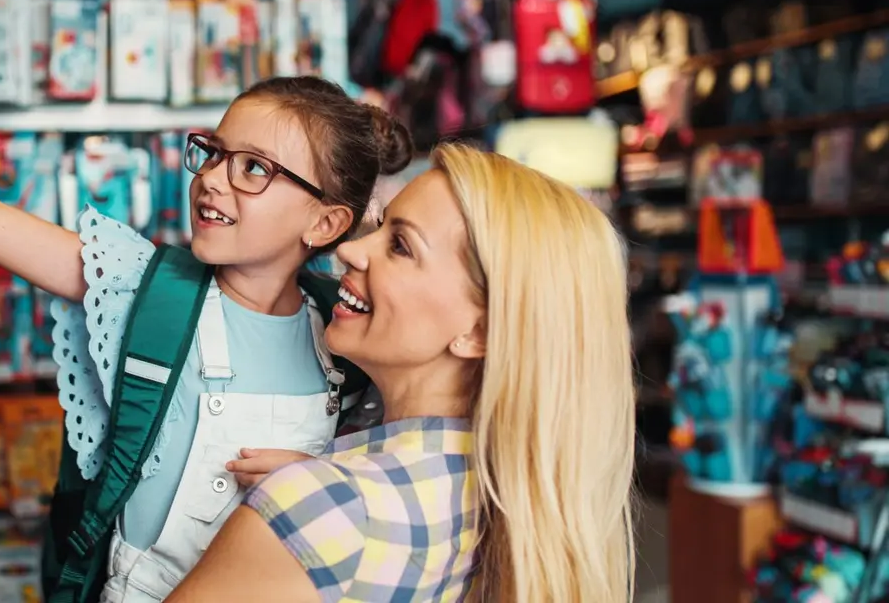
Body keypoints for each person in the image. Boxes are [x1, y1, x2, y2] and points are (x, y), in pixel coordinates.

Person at [0, 0, 415, 603]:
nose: (212, 179)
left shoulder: (349, 339)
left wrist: (317, 487)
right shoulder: (144, 292)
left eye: (252, 169)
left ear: (326, 222)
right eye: (211, 152)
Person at [170, 144, 637, 603]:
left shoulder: (323, 509)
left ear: (479, 331)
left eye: (400, 246)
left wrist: (312, 498)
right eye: (381, 224)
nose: (352, 250)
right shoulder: (504, 502)